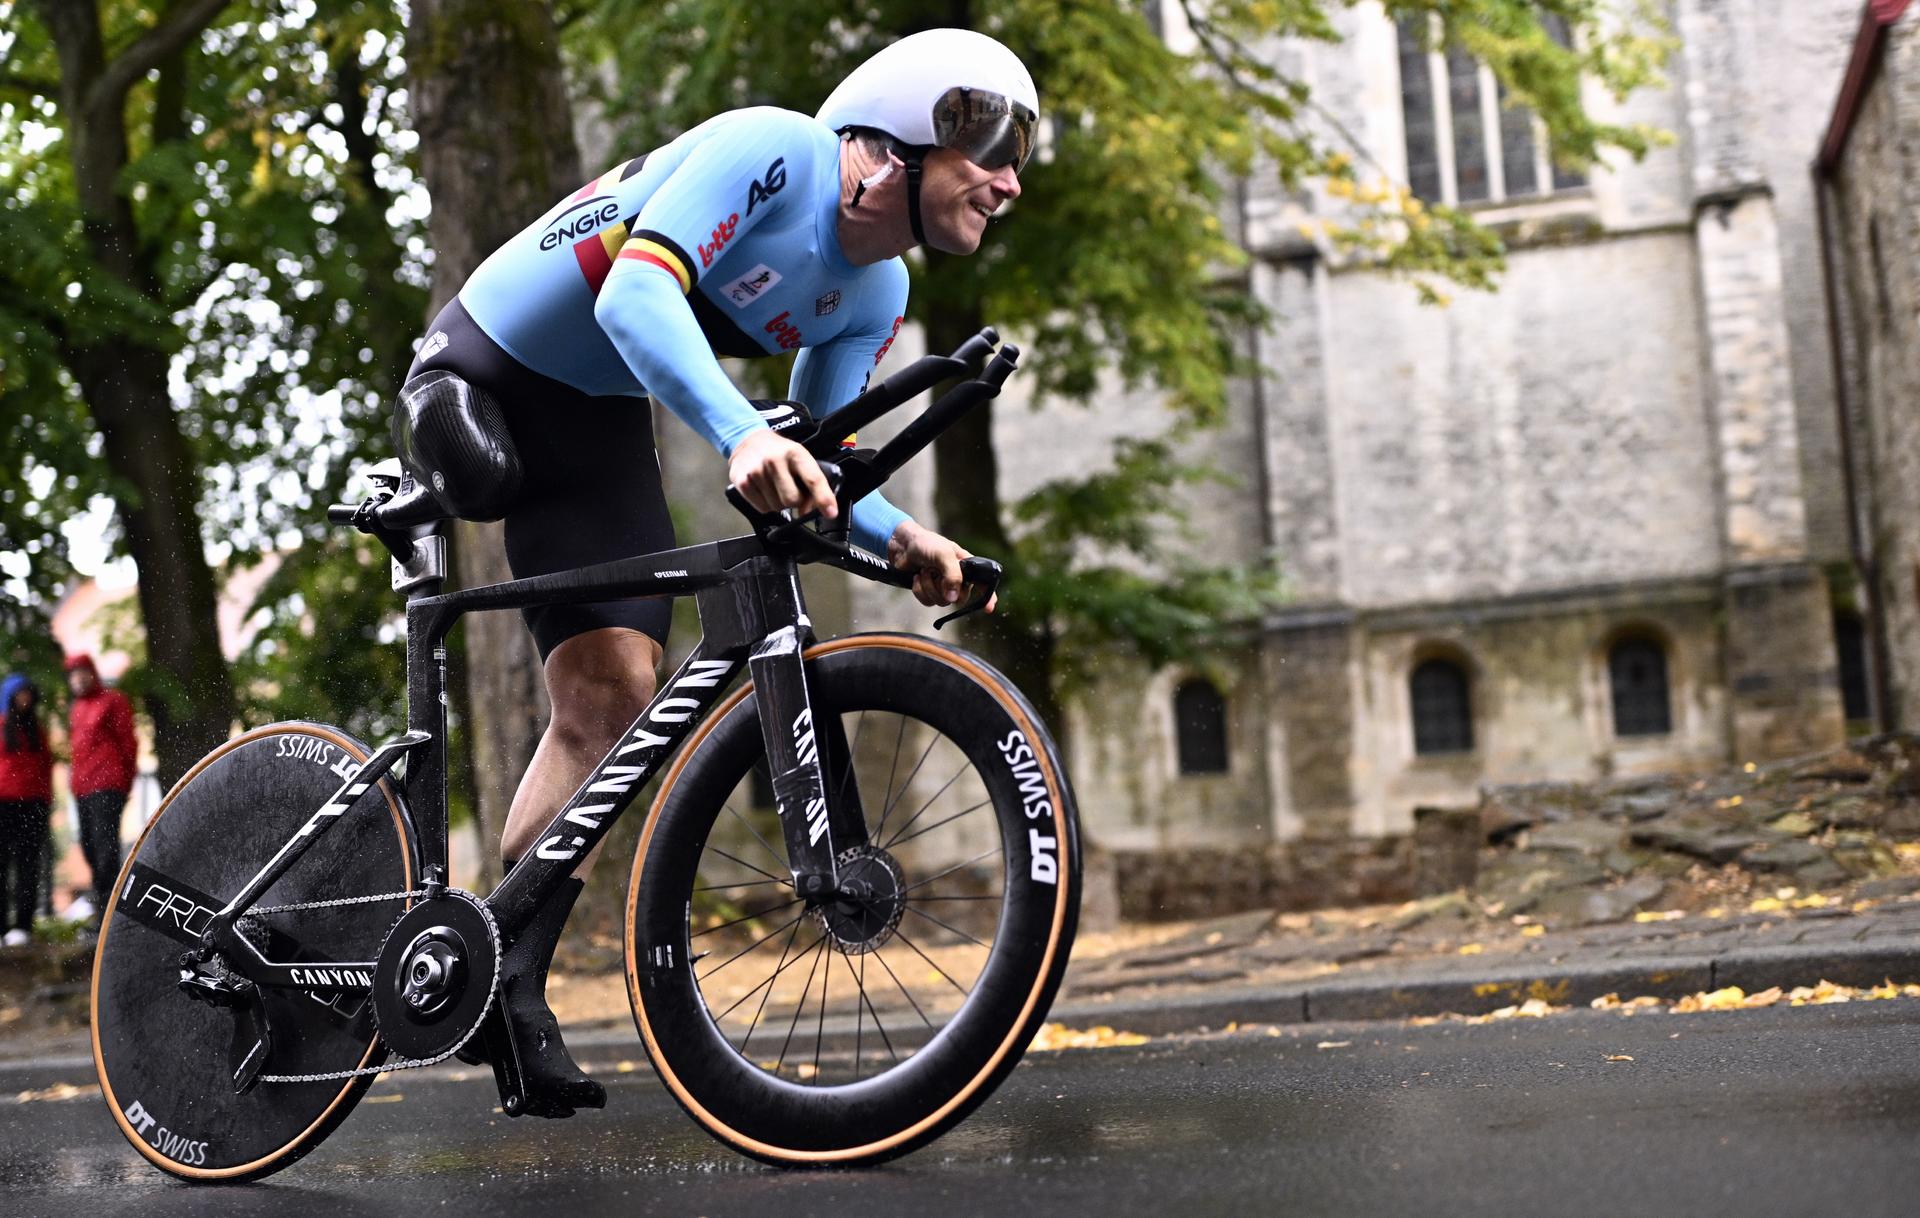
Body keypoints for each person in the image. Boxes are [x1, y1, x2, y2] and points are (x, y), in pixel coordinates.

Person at [407, 28, 1035, 1116]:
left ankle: (505, 974)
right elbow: (634, 299)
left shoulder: (873, 292)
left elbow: (824, 466)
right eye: (988, 141)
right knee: (489, 473)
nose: (1010, 177)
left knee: (611, 702)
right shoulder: (773, 150)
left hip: (596, 417)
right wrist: (744, 433)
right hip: (484, 372)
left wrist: (906, 540)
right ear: (896, 139)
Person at [64, 655, 137, 926]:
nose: (79, 678)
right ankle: (104, 907)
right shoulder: (76, 709)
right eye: (74, 674)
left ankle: (109, 913)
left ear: (92, 673)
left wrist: (125, 781)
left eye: (83, 672)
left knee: (106, 849)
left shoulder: (112, 701)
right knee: (89, 846)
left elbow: (128, 743)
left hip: (107, 785)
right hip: (83, 788)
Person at [0, 675, 52, 947]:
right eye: (19, 694)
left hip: (32, 804)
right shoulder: (1, 726)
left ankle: (23, 925)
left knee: (28, 865)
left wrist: (45, 799)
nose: (24, 699)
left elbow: (45, 767)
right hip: (3, 804)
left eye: (28, 694)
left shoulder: (37, 731)